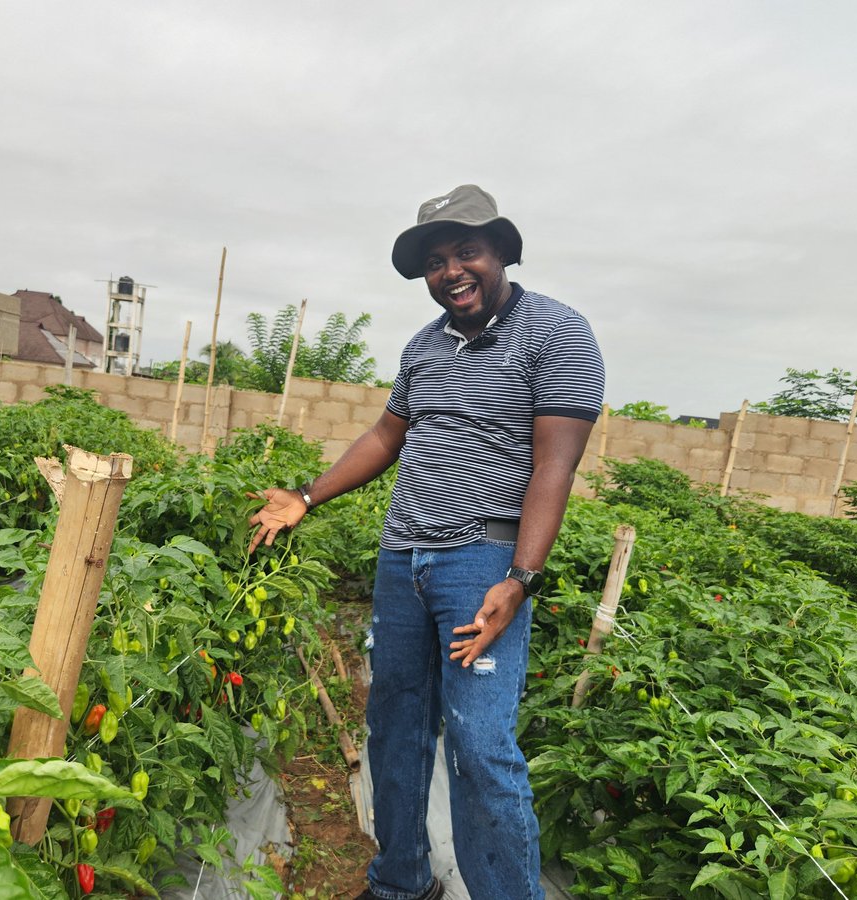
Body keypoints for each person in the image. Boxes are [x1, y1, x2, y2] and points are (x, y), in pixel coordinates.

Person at [248, 184, 604, 900]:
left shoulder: (557, 333)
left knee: (479, 745)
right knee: (395, 728)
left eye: (466, 251)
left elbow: (554, 466)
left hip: (481, 562)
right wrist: (307, 496)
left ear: (500, 250)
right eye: (436, 260)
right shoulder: (425, 346)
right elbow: (387, 434)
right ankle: (402, 881)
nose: (451, 271)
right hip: (402, 558)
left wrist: (520, 579)